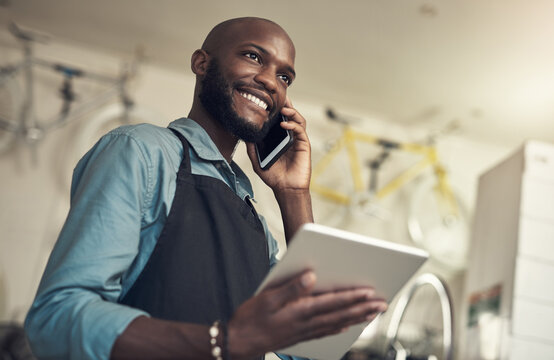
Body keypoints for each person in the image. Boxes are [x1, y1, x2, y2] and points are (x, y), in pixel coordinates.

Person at [24, 17, 388, 359]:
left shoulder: (256, 225)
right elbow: (56, 318)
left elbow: (310, 347)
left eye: (285, 77)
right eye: (253, 56)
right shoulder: (143, 151)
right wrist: (223, 342)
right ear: (201, 63)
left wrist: (294, 194)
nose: (271, 81)